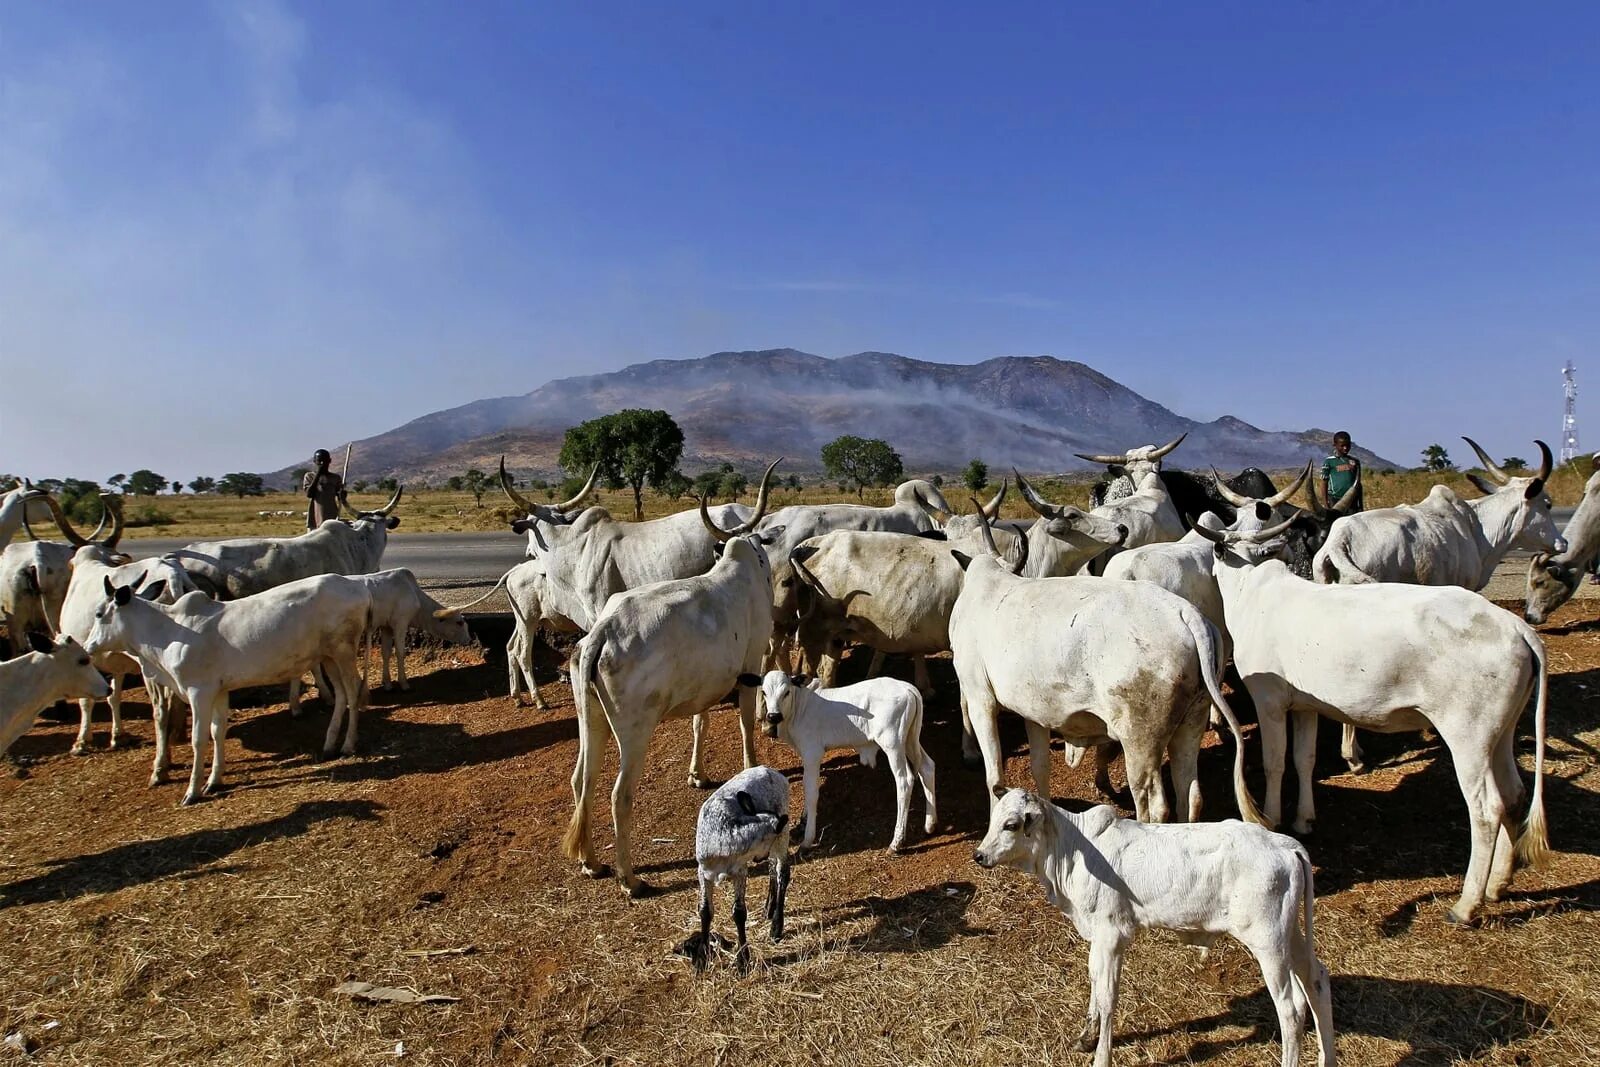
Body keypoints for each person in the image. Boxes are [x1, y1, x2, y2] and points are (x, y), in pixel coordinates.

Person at [302, 448, 348, 530]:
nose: (322, 463)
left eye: (325, 461)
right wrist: (319, 472)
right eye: (319, 461)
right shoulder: (310, 476)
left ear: (329, 461)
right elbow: (309, 494)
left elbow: (340, 497)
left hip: (332, 516)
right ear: (315, 461)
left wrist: (342, 494)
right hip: (315, 519)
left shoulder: (335, 478)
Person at [1319, 431, 1363, 513]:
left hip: (1352, 501)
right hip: (1335, 499)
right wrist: (1325, 503)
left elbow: (1358, 484)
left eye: (1347, 445)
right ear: (1335, 445)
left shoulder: (1355, 461)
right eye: (1342, 446)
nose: (1345, 448)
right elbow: (1324, 482)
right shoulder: (1329, 461)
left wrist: (1360, 505)